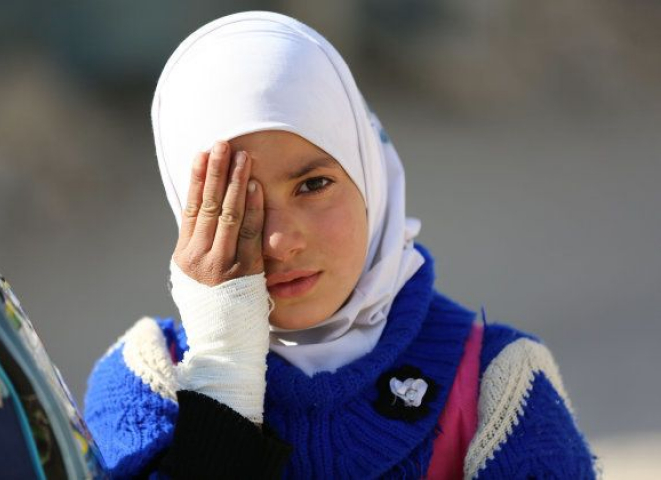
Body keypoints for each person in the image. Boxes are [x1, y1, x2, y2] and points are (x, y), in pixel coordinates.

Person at [84, 11, 597, 479]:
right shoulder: (146, 382)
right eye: (237, 205)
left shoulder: (497, 389)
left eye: (313, 185)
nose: (280, 243)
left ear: (369, 173)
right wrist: (221, 374)